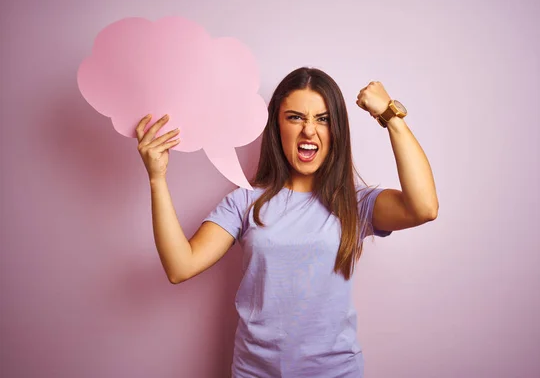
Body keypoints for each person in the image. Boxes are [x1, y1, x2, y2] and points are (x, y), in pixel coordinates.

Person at [135, 67, 438, 377]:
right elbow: (180, 266)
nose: (309, 130)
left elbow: (424, 208)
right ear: (277, 126)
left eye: (322, 119)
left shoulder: (354, 203)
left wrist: (391, 117)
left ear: (337, 131)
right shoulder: (245, 201)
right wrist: (157, 178)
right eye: (295, 117)